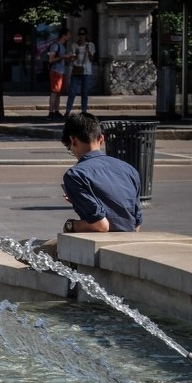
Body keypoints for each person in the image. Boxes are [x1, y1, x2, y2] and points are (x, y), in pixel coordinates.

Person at [38, 113, 142, 258]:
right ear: (101, 139)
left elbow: (101, 225)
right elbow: (135, 224)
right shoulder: (129, 169)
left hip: (100, 252)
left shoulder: (75, 175)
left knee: (37, 253)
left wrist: (70, 225)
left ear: (73, 141)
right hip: (131, 246)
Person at [65, 27, 96, 115]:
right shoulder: (74, 45)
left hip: (87, 71)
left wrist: (88, 52)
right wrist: (76, 55)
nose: (81, 36)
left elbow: (92, 59)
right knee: (72, 92)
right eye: (80, 34)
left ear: (86, 35)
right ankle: (68, 111)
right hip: (76, 70)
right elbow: (71, 59)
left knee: (85, 92)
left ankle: (84, 111)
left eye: (83, 34)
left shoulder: (90, 45)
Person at [47, 28, 73, 120]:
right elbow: (51, 59)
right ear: (63, 35)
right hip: (56, 71)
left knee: (58, 93)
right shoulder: (56, 45)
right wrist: (63, 56)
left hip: (61, 71)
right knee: (54, 92)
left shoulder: (62, 46)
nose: (70, 36)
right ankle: (51, 112)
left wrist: (69, 58)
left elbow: (63, 59)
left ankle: (56, 111)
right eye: (68, 34)